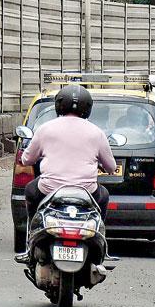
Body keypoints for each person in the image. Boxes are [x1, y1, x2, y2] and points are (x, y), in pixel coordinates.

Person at [20, 84, 117, 226]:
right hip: (86, 191)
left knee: (30, 190)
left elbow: (27, 160)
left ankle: (34, 228)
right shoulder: (97, 132)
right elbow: (111, 167)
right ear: (88, 107)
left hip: (49, 189)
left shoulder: (45, 129)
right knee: (104, 195)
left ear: (59, 105)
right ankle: (97, 229)